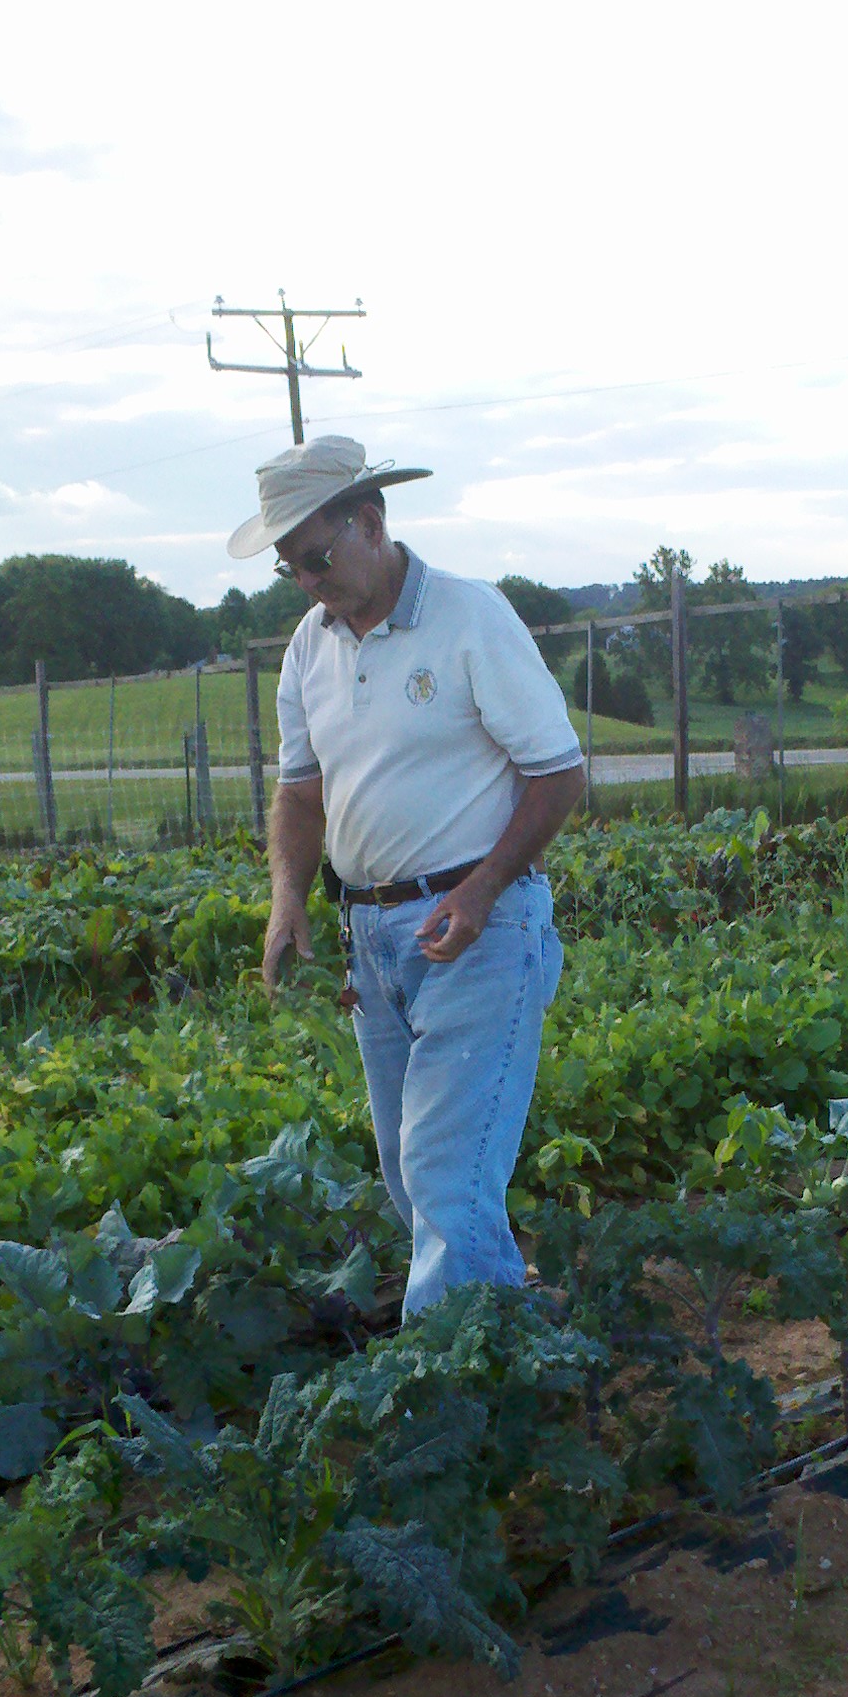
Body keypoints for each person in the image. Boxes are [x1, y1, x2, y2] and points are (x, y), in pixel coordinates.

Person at [232, 434, 585, 1318]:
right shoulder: (308, 652)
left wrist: (482, 890)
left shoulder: (471, 618)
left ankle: (454, 1383)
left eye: (317, 557)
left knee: (444, 1164)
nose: (310, 582)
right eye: (291, 569)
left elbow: (558, 772)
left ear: (371, 521)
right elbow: (300, 792)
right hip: (373, 941)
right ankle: (503, 1326)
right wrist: (287, 903)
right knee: (409, 1168)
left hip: (478, 928)